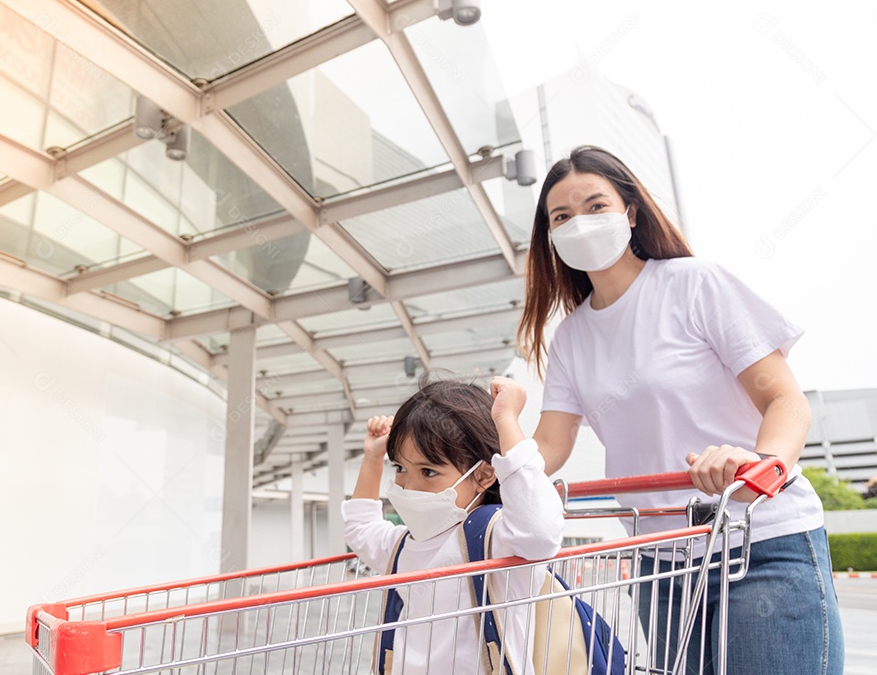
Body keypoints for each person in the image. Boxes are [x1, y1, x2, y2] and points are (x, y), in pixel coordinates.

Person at [518, 145, 844, 674]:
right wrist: (488, 460)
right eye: (562, 216)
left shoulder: (695, 284)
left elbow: (785, 400)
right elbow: (550, 445)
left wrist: (758, 466)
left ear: (630, 213)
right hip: (662, 564)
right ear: (550, 237)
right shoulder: (572, 338)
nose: (580, 223)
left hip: (758, 541)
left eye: (595, 206)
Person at [343, 376, 564, 674]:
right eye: (400, 468)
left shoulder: (497, 540)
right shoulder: (404, 546)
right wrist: (372, 457)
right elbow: (360, 529)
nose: (409, 486)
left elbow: (540, 530)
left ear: (484, 475)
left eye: (428, 472)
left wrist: (506, 420)